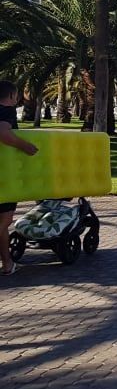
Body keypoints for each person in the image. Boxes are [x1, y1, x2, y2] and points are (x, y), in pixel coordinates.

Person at [0, 80, 39, 276]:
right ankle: (7, 264)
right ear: (12, 97)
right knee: (3, 222)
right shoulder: (6, 111)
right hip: (4, 177)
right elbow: (3, 133)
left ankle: (7, 263)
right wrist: (24, 146)